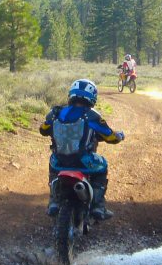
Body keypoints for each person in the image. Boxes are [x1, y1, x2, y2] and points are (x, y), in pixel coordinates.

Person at [40, 78, 124, 221]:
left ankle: (54, 200)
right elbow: (111, 137)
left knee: (52, 165)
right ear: (92, 97)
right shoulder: (92, 116)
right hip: (84, 162)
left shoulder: (56, 112)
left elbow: (43, 130)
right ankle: (98, 206)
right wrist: (120, 136)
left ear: (71, 94)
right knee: (102, 165)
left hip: (60, 161)